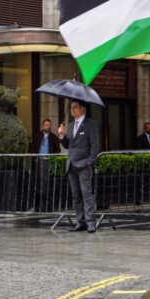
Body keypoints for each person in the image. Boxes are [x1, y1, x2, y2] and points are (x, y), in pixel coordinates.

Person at [59, 99, 100, 233]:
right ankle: (80, 221)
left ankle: (90, 222)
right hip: (72, 164)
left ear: (82, 109)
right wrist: (61, 135)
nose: (72, 110)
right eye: (71, 108)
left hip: (84, 165)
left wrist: (89, 162)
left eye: (75, 107)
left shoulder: (90, 124)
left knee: (86, 194)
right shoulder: (70, 126)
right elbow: (67, 145)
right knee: (76, 195)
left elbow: (95, 146)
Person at [31, 118, 61, 212]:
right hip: (39, 161)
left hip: (47, 162)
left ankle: (47, 206)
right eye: (46, 125)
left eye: (49, 125)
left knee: (46, 184)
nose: (48, 127)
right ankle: (37, 206)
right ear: (43, 126)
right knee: (38, 183)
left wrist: (52, 157)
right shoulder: (37, 136)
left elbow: (58, 150)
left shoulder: (53, 137)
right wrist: (34, 157)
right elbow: (32, 147)